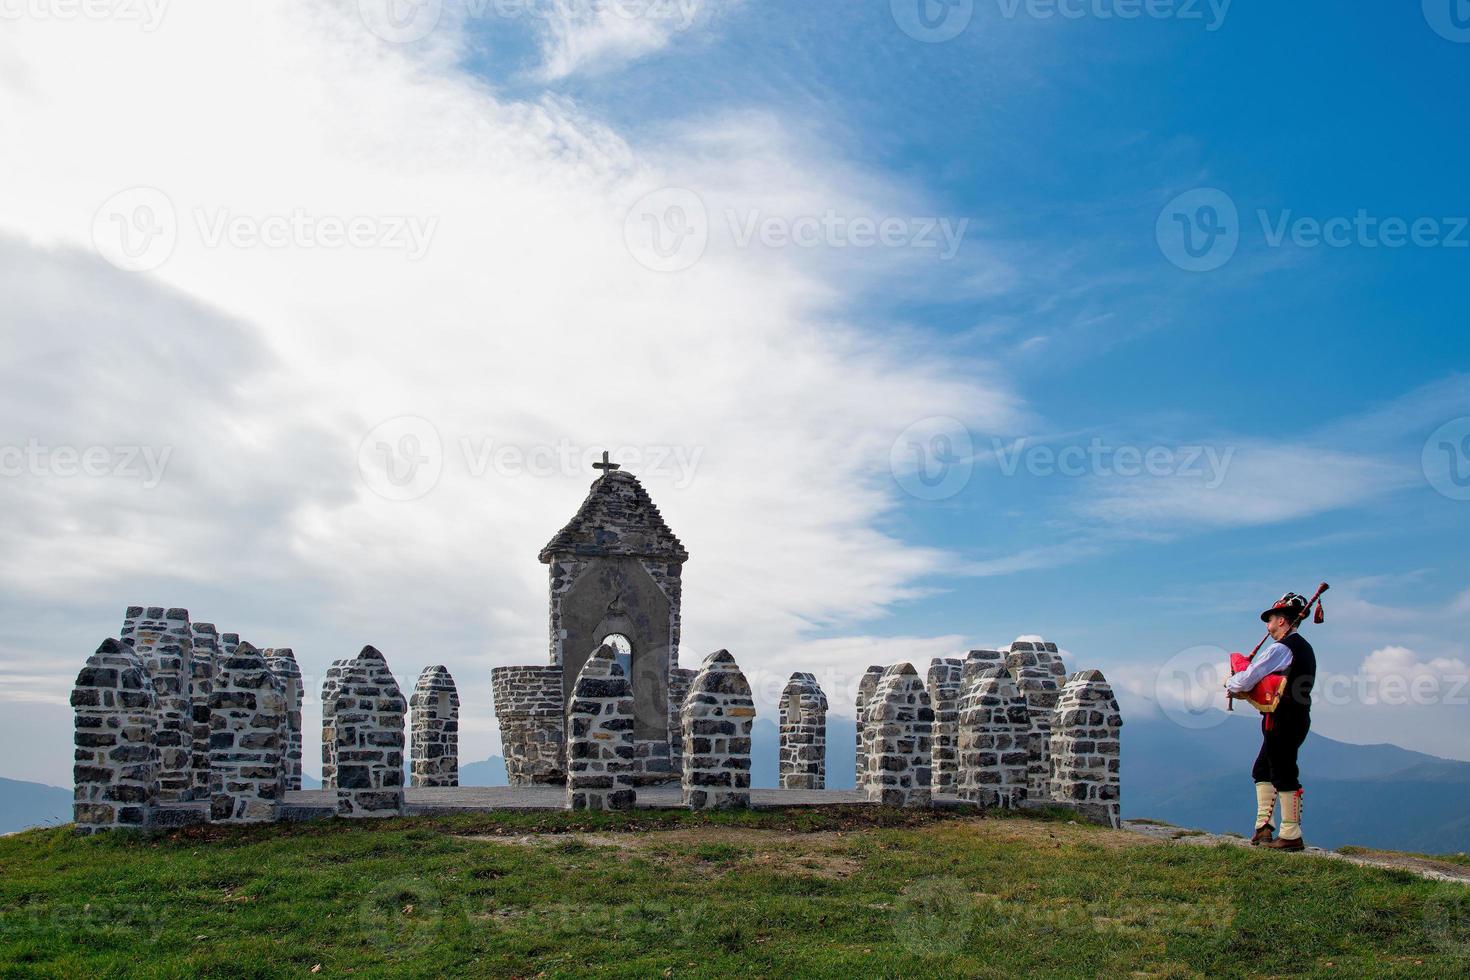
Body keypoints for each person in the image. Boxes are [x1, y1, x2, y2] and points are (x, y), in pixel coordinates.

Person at [1226, 592, 1317, 851]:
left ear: (1281, 621)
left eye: (1271, 620)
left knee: (1284, 771)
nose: (1268, 626)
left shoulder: (1281, 649)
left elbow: (1248, 678)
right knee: (1263, 769)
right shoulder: (1304, 648)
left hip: (1282, 718)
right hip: (1296, 717)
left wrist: (1230, 683)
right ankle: (1264, 828)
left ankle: (1290, 834)